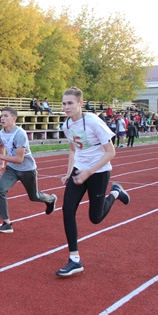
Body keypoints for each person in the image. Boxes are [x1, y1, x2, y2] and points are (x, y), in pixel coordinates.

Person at [57, 87, 130, 276]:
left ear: (80, 103)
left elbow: (111, 152)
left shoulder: (93, 122)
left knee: (95, 218)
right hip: (79, 169)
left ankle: (115, 192)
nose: (66, 107)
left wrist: (89, 172)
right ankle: (74, 259)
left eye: (70, 103)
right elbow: (74, 150)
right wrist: (69, 172)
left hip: (98, 172)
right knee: (67, 210)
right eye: (64, 103)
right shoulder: (66, 125)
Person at [0, 107, 57, 233]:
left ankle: (51, 199)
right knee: (0, 190)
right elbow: (1, 145)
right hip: (12, 169)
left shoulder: (20, 134)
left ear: (14, 118)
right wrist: (2, 163)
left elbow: (19, 159)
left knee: (34, 197)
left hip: (27, 169)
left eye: (6, 116)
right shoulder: (0, 134)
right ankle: (7, 223)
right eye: (1, 115)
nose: (2, 118)